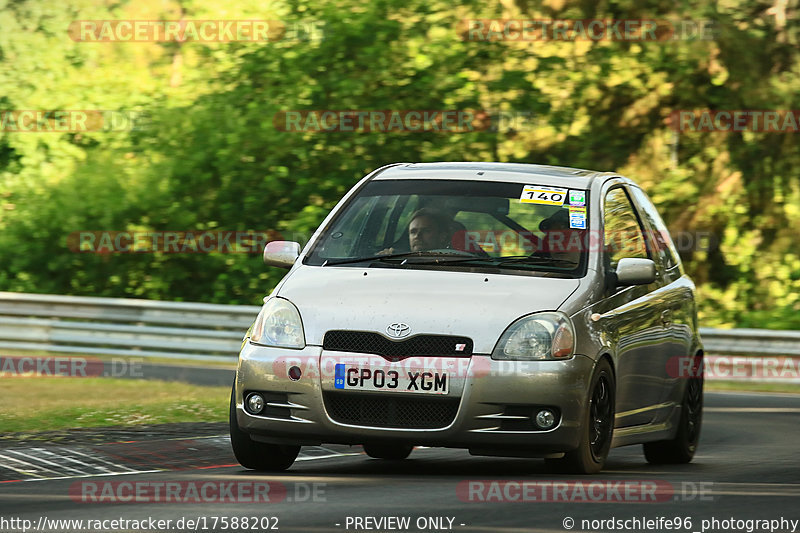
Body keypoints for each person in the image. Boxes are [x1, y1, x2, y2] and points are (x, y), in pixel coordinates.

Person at [379, 208, 454, 254]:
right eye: (413, 232)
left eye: (426, 231)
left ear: (442, 237)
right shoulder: (397, 262)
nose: (417, 236)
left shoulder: (457, 266)